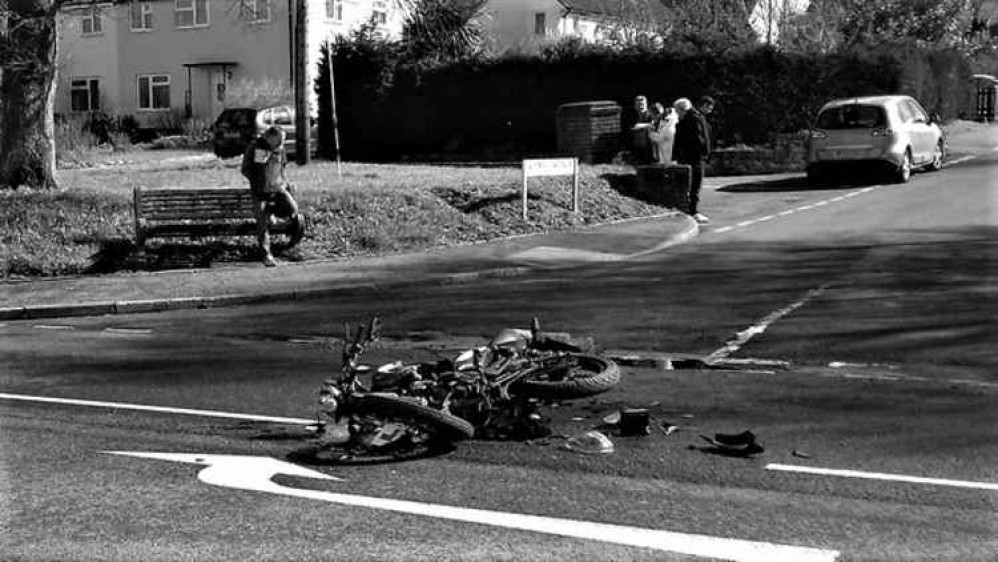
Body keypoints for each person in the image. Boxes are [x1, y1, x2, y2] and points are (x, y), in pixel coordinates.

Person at [240, 126, 305, 267]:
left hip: (278, 189)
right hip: (260, 192)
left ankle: (272, 213)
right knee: (262, 224)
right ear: (270, 137)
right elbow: (245, 169)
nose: (282, 142)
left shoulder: (280, 149)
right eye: (280, 139)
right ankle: (266, 255)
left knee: (292, 208)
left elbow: (283, 167)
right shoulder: (255, 146)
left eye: (283, 140)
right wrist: (258, 181)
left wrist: (285, 184)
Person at [672, 96, 714, 224]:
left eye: (676, 110)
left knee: (693, 184)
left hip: (693, 157)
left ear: (681, 109)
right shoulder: (695, 117)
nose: (675, 113)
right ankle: (691, 210)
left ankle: (693, 211)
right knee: (693, 185)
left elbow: (699, 139)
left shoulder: (691, 119)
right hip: (695, 157)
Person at [630, 95, 655, 163]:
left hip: (649, 145)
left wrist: (640, 126)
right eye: (639, 104)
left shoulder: (651, 114)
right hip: (636, 144)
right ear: (635, 105)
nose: (641, 106)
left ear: (646, 104)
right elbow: (632, 127)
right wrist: (647, 125)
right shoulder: (632, 115)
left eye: (642, 104)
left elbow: (653, 125)